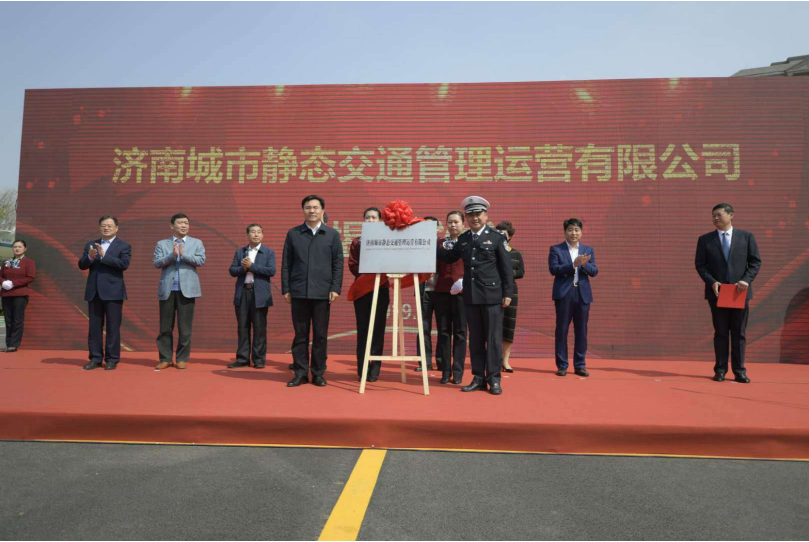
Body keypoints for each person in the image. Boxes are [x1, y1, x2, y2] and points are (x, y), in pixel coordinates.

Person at [437, 196, 513, 395]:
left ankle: (494, 379)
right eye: (470, 215)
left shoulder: (497, 237)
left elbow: (506, 268)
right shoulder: (464, 239)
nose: (474, 218)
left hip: (492, 296)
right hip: (471, 296)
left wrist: (507, 293)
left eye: (478, 214)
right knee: (477, 339)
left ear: (486, 216)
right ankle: (478, 377)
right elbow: (449, 257)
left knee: (493, 339)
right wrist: (429, 245)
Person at [695, 203, 761, 383]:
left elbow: (755, 262)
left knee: (739, 333)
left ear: (731, 215)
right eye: (713, 216)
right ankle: (720, 370)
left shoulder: (746, 237)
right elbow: (700, 265)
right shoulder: (705, 240)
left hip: (739, 292)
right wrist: (712, 282)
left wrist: (746, 280)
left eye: (719, 215)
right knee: (721, 332)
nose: (715, 218)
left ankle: (739, 371)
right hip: (717, 293)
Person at [282, 195, 343, 387]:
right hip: (299, 291)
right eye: (308, 207)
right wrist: (286, 288)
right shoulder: (294, 234)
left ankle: (318, 373)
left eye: (315, 207)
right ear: (303, 210)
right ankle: (300, 373)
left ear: (322, 210)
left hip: (322, 292)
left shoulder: (332, 234)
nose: (312, 211)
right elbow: (286, 263)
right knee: (300, 335)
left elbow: (338, 263)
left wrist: (335, 288)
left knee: (320, 335)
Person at [77, 216, 131, 370]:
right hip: (94, 291)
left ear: (116, 228)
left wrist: (104, 257)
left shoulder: (123, 246)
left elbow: (124, 264)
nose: (106, 228)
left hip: (113, 292)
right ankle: (95, 358)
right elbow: (82, 265)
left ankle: (112, 359)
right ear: (99, 227)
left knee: (113, 327)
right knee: (94, 327)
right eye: (103, 225)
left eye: (109, 225)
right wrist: (90, 257)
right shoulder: (91, 245)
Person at [153, 213, 206, 370]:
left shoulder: (196, 242)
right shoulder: (162, 244)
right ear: (172, 226)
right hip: (167, 290)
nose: (184, 225)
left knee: (185, 328)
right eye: (180, 223)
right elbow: (157, 262)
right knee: (165, 328)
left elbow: (201, 261)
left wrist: (183, 255)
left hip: (187, 290)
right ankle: (165, 358)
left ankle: (182, 358)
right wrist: (172, 256)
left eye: (186, 223)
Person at [548, 218, 598, 377]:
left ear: (581, 232)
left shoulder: (588, 250)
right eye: (570, 230)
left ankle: (580, 365)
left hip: (582, 295)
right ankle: (562, 365)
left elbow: (594, 271)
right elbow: (553, 269)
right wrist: (573, 265)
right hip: (565, 294)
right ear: (565, 232)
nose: (573, 233)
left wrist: (584, 264)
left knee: (581, 331)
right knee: (562, 330)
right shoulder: (556, 249)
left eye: (576, 230)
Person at [348, 207, 389, 382]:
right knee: (363, 330)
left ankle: (375, 369)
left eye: (374, 218)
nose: (370, 220)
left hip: (381, 289)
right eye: (367, 217)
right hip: (362, 290)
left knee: (378, 329)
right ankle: (362, 369)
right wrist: (370, 271)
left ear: (380, 221)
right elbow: (352, 265)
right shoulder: (357, 242)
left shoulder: (388, 241)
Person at [228, 224, 276, 369]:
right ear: (247, 235)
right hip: (243, 292)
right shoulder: (240, 252)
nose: (256, 234)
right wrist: (243, 268)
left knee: (259, 328)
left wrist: (252, 267)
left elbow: (271, 271)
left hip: (260, 294)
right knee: (242, 326)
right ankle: (242, 358)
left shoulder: (268, 252)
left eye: (259, 232)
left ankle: (259, 359)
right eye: (253, 232)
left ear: (262, 235)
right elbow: (232, 270)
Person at [433, 211, 467, 384]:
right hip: (442, 291)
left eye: (456, 222)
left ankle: (458, 371)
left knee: (461, 332)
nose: (453, 225)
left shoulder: (468, 242)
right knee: (444, 331)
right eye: (450, 222)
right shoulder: (440, 244)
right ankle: (445, 371)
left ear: (463, 224)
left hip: (463, 293)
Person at [496, 221, 525, 373]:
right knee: (493, 325)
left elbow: (521, 272)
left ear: (510, 236)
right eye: (498, 233)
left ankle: (505, 361)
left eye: (504, 234)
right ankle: (492, 359)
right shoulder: (491, 251)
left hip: (511, 292)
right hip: (493, 290)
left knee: (508, 326)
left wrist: (507, 273)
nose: (501, 236)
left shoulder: (515, 253)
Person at [1, 240, 35, 353]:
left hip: (20, 294)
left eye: (19, 247)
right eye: (15, 246)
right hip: (6, 294)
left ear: (25, 248)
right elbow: (0, 275)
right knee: (8, 320)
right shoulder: (7, 262)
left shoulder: (29, 262)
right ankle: (8, 343)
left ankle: (13, 344)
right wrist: (3, 282)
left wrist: (13, 283)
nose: (17, 249)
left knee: (17, 320)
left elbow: (30, 277)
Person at [415, 216, 440, 372]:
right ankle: (424, 362)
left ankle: (442, 362)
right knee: (423, 328)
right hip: (423, 292)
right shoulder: (417, 246)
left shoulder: (444, 244)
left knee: (444, 328)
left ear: (437, 229)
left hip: (442, 292)